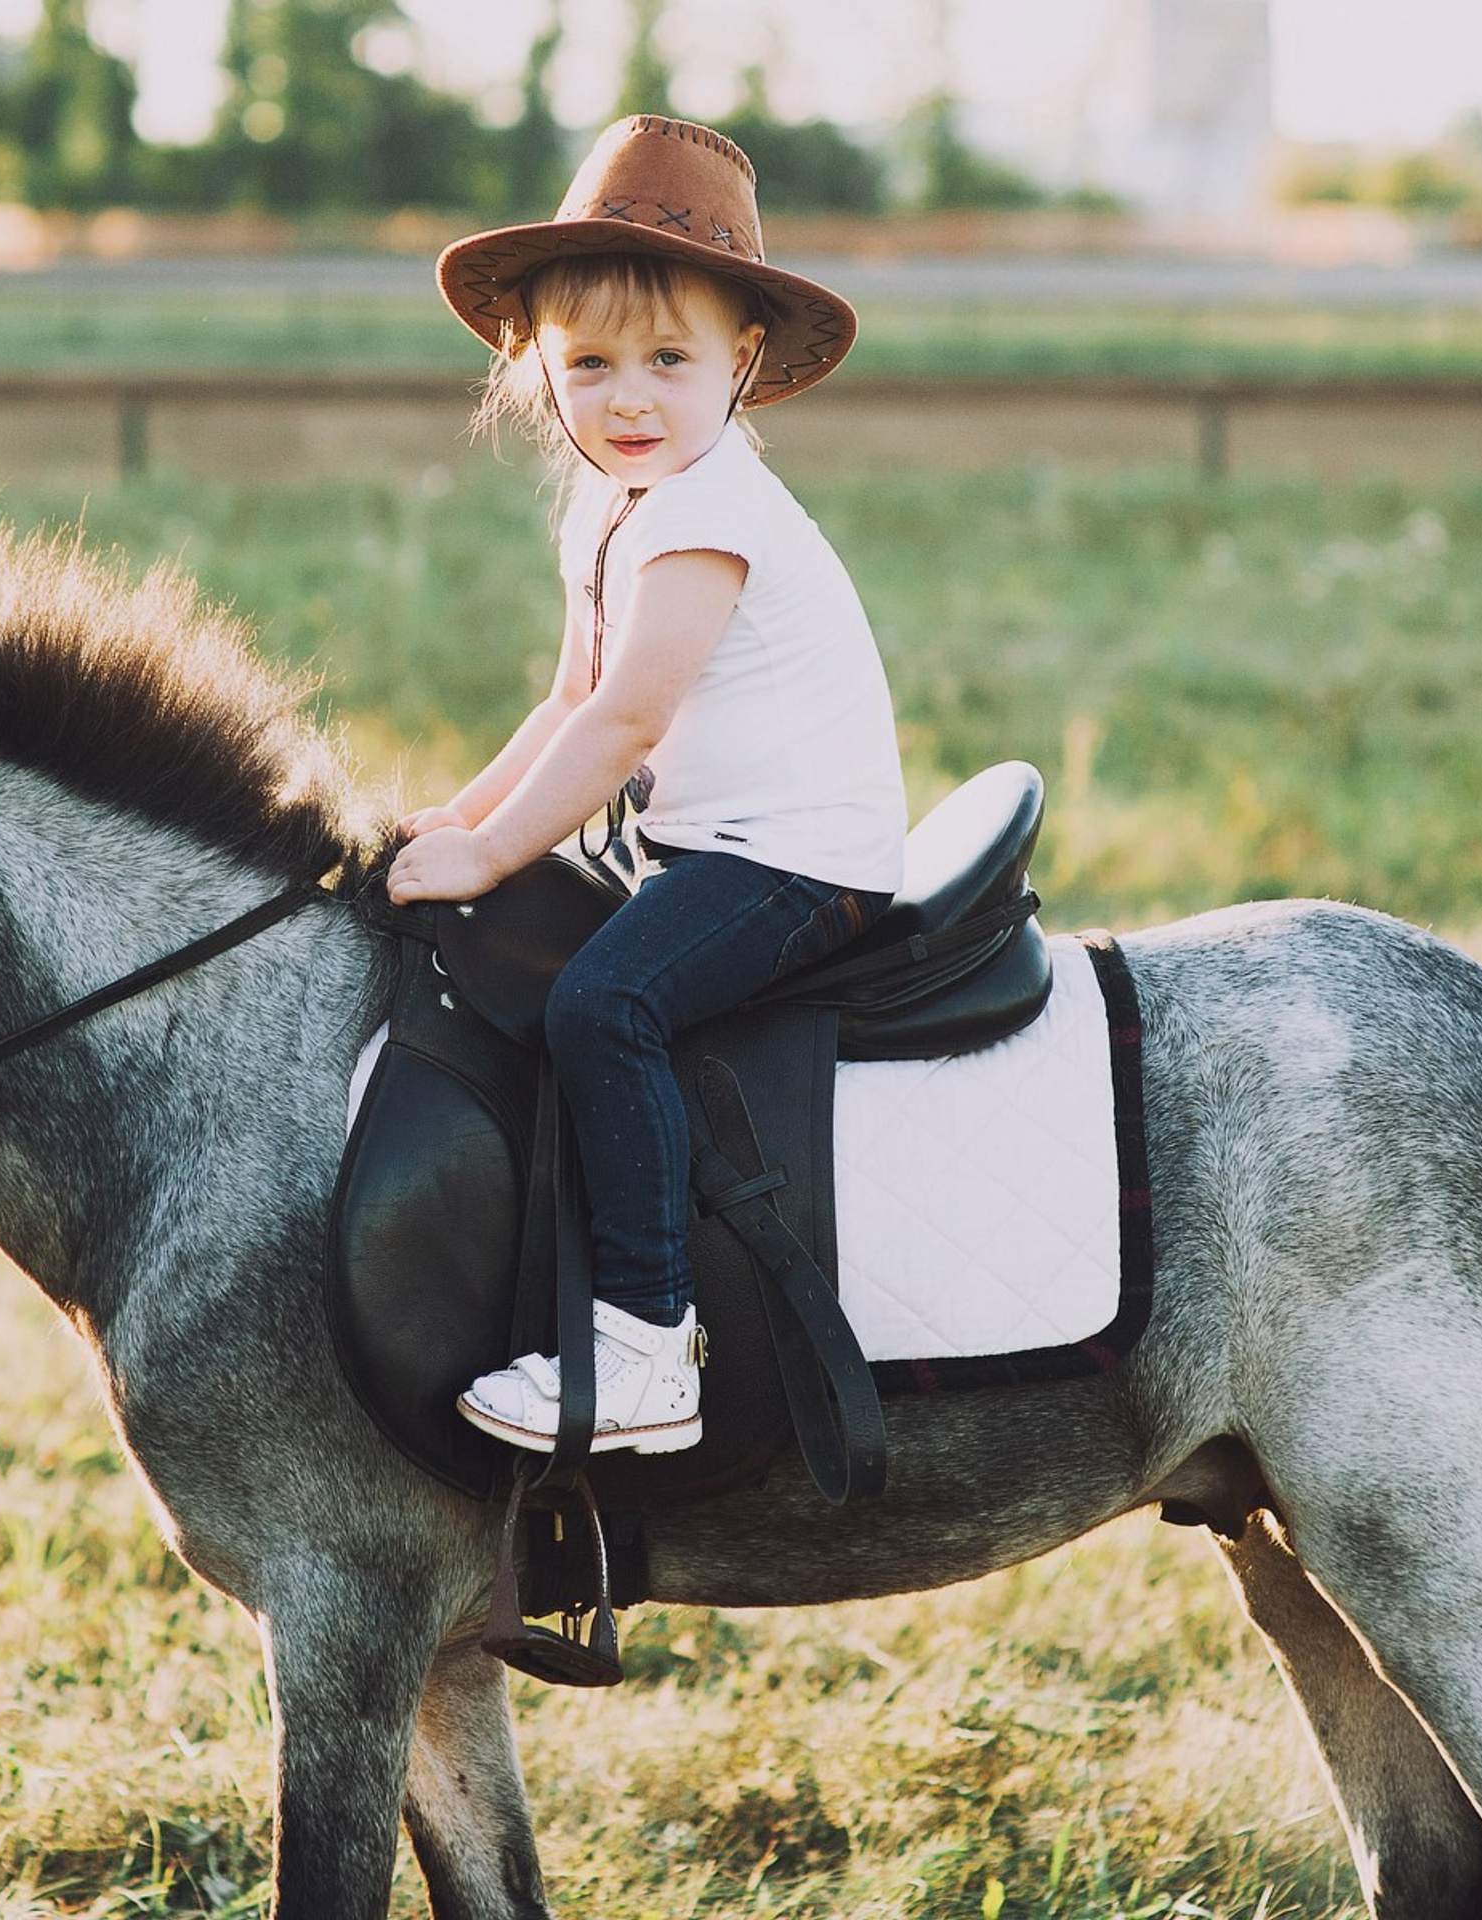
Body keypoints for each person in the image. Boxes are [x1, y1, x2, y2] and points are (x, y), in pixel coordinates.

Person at [387, 114, 906, 1456]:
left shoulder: (706, 511)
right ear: (535, 365)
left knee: (603, 1001)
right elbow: (565, 698)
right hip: (710, 841)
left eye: (668, 362)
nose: (628, 400)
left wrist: (495, 854)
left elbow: (623, 723)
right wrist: (455, 820)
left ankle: (645, 1346)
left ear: (739, 364)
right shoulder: (612, 505)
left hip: (797, 859)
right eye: (591, 364)